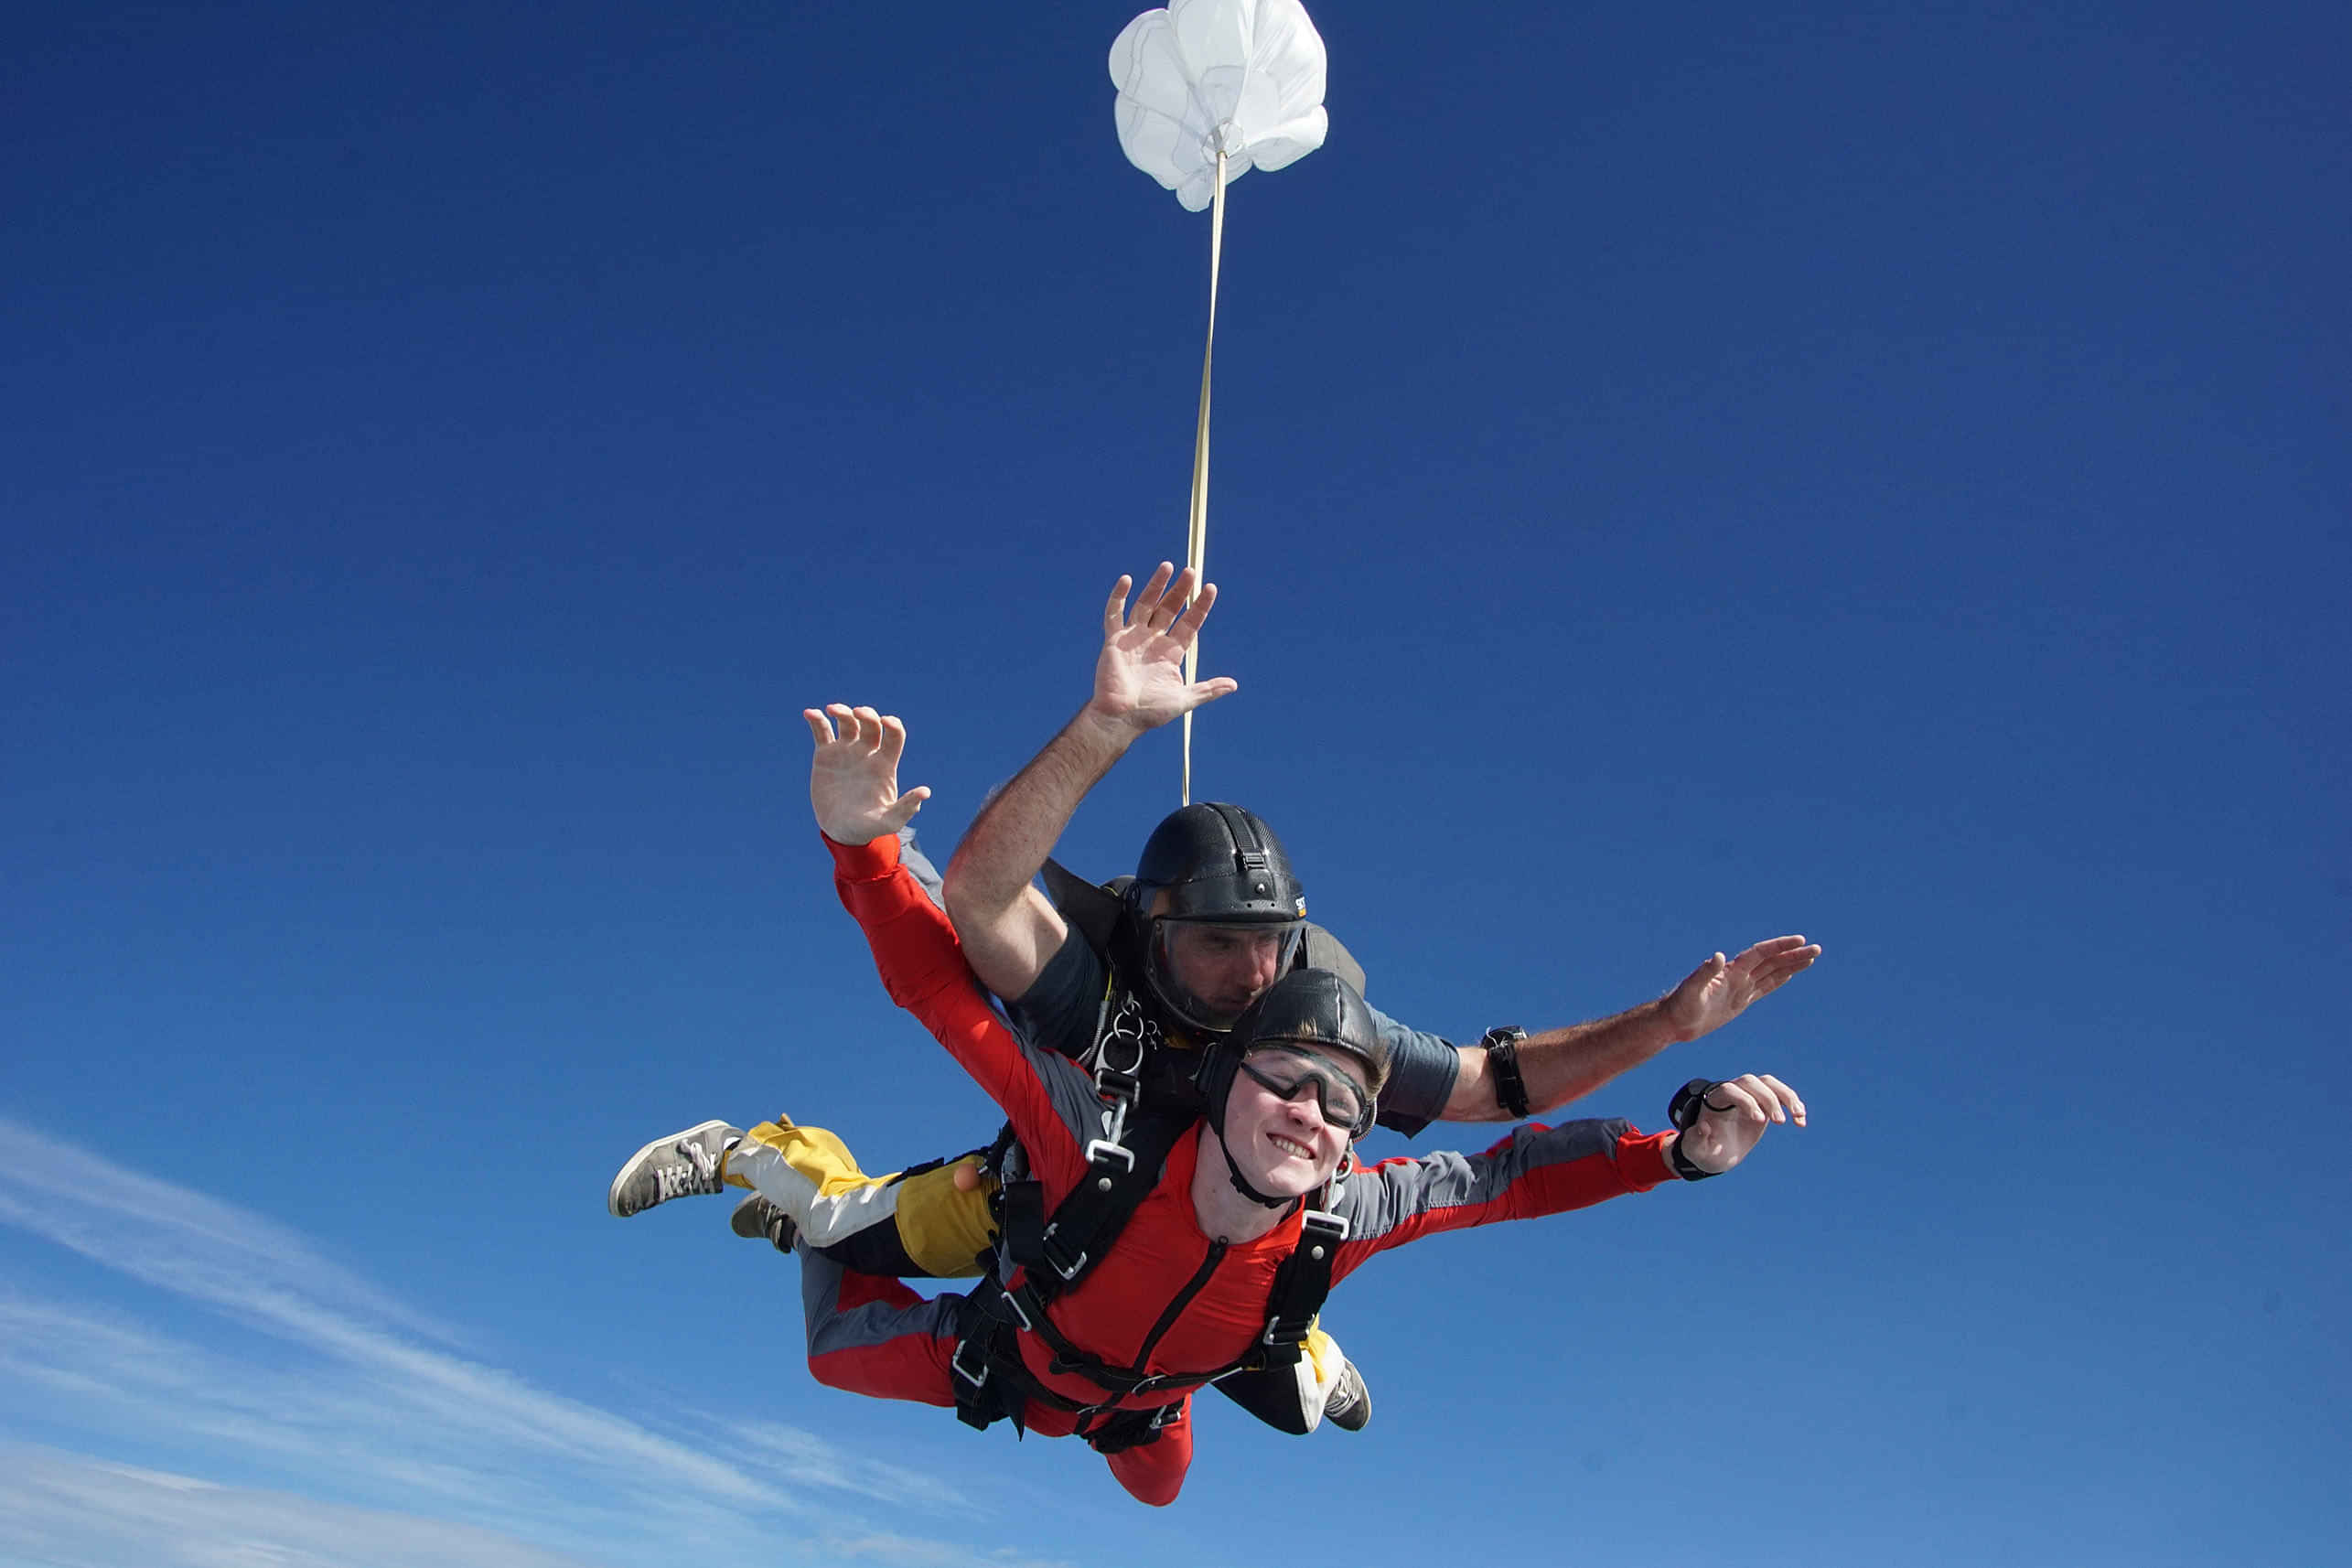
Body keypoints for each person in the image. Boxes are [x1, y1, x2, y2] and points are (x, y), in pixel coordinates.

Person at [608, 730, 1808, 1507]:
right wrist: (868, 844)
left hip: (1152, 1368)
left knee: (1168, 1481)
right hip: (1039, 1217)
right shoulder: (1107, 1066)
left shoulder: (1331, 1103)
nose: (1243, 979)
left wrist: (1674, 1097)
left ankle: (1281, 1337)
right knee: (836, 1227)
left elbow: (1503, 1135)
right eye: (1212, 947)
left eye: (1343, 1105)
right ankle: (755, 1157)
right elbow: (955, 937)